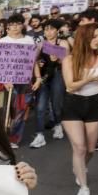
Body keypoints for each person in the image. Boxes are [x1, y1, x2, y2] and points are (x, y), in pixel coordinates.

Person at [61, 25, 98, 195]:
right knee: (79, 148)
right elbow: (70, 86)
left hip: (95, 103)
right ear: (84, 39)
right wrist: (90, 78)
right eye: (94, 37)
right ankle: (84, 187)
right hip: (73, 104)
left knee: (90, 149)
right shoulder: (69, 60)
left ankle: (79, 168)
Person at [0, 14, 41, 149]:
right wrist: (4, 80)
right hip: (9, 81)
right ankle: (2, 136)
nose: (15, 27)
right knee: (7, 110)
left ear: (22, 25)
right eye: (12, 25)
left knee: (21, 109)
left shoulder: (29, 40)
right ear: (7, 27)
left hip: (25, 80)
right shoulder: (3, 42)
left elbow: (33, 61)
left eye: (17, 24)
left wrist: (38, 77)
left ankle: (14, 138)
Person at [30, 19, 68, 148]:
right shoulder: (41, 44)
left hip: (57, 75)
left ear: (57, 31)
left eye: (51, 29)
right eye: (46, 29)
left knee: (57, 104)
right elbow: (33, 59)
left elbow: (67, 61)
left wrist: (58, 59)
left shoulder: (62, 42)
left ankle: (58, 125)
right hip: (43, 77)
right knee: (40, 107)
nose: (48, 32)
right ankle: (39, 135)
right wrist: (39, 64)